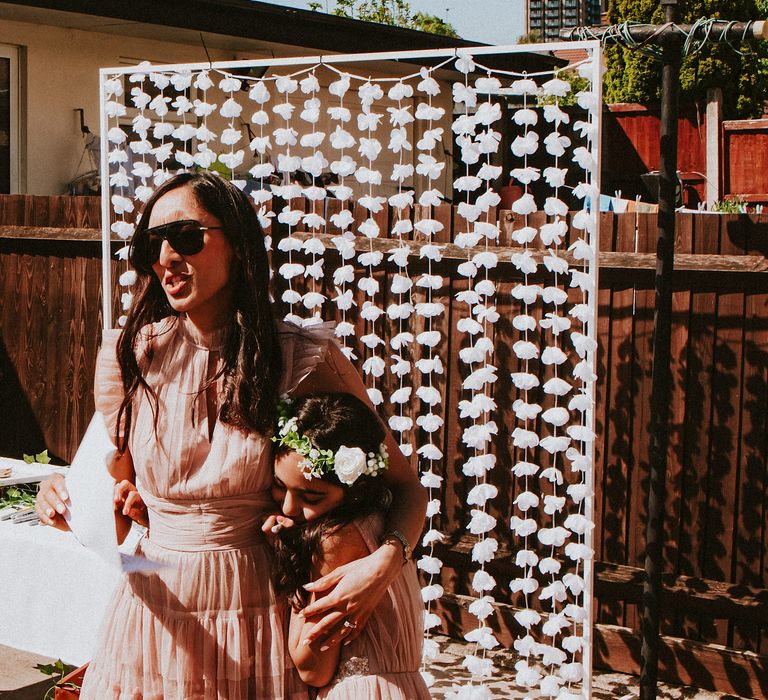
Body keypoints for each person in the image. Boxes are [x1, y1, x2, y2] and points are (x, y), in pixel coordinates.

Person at [34, 171, 427, 699]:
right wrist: (63, 498)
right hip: (156, 618)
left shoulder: (301, 358)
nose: (166, 255)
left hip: (259, 615)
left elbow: (406, 487)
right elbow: (115, 500)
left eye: (187, 237)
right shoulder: (131, 355)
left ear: (239, 245)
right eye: (153, 242)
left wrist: (382, 565)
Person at [263, 392, 430, 700]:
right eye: (278, 485)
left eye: (311, 498)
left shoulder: (334, 541)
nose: (288, 507)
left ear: (353, 490)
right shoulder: (382, 519)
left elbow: (313, 667)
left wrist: (291, 565)